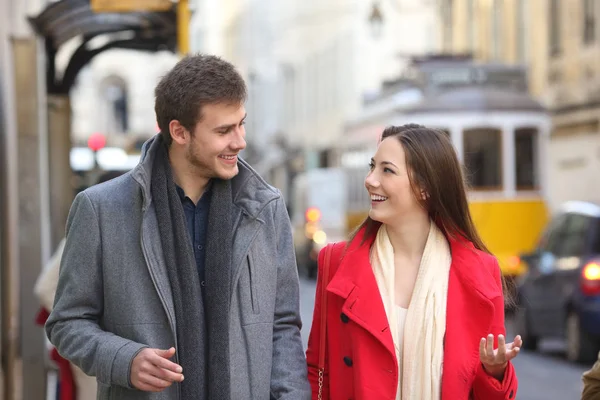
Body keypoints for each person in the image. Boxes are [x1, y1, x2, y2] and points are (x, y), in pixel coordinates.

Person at [46, 54, 310, 400]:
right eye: (223, 130)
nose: (240, 141)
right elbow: (67, 322)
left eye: (241, 124)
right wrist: (124, 360)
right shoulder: (100, 210)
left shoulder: (265, 208)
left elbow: (282, 327)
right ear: (179, 132)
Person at [306, 124, 522, 400]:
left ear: (424, 189)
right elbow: (317, 370)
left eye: (387, 170)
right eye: (372, 167)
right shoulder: (336, 262)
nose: (370, 180)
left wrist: (494, 372)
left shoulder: (480, 272)